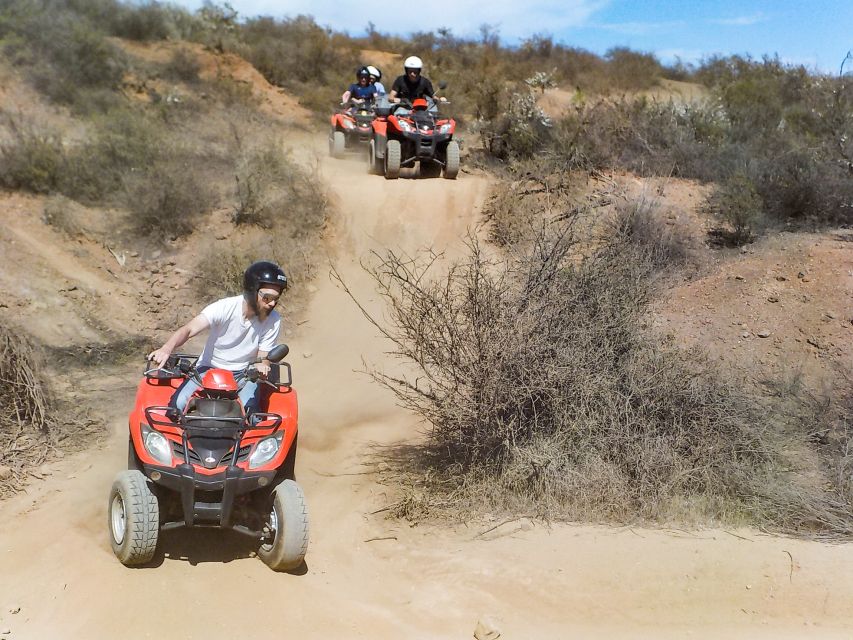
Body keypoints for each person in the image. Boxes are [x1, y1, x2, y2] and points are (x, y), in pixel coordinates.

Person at [148, 261, 287, 416]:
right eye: (267, 297)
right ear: (251, 290)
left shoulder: (274, 319)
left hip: (245, 374)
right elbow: (189, 329)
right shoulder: (224, 307)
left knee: (252, 415)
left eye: (276, 299)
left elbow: (263, 356)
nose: (272, 303)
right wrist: (167, 348)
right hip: (208, 368)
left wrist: (263, 366)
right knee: (176, 406)